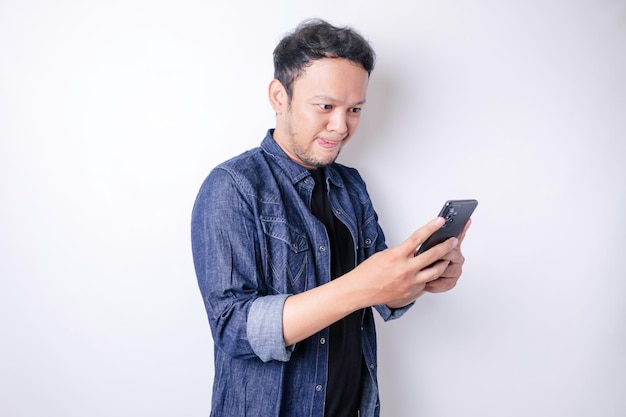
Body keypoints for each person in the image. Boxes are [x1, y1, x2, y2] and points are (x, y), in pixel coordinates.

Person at [191, 18, 471, 417]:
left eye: (354, 109)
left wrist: (423, 276)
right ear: (279, 96)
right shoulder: (231, 186)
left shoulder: (351, 186)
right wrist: (361, 286)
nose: (341, 127)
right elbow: (233, 328)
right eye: (325, 106)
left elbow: (386, 294)